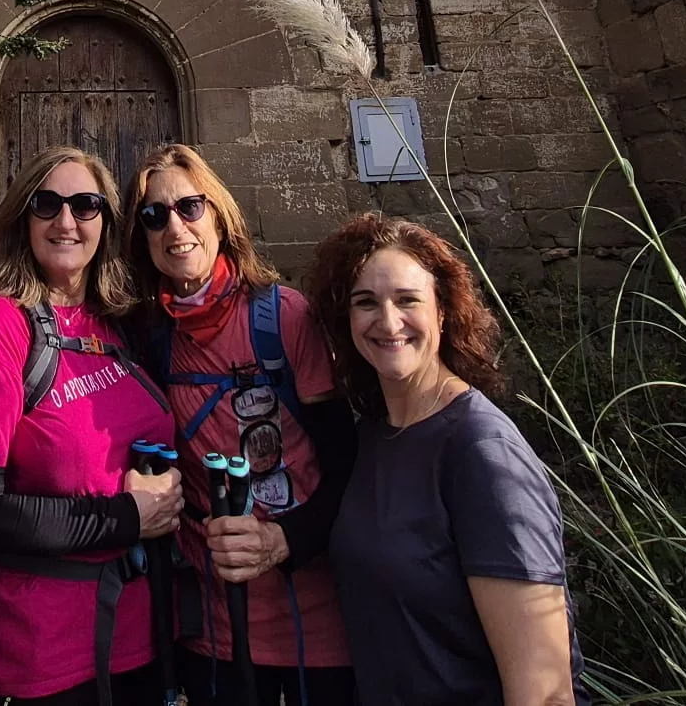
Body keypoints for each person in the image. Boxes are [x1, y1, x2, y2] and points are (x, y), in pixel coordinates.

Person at [304, 213, 584, 706]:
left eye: (408, 300)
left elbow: (544, 693)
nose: (387, 322)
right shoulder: (374, 435)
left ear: (443, 312)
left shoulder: (482, 453)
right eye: (366, 302)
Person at [0, 145, 183, 706]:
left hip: (143, 636)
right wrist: (126, 518)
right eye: (46, 204)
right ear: (22, 219)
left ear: (107, 220)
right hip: (43, 655)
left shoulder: (117, 321)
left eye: (86, 205)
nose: (66, 221)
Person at [124, 144, 356, 706]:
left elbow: (346, 462)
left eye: (189, 207)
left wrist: (282, 539)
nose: (174, 226)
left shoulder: (282, 317)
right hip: (215, 622)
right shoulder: (152, 338)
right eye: (154, 216)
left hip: (315, 620)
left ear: (219, 215)